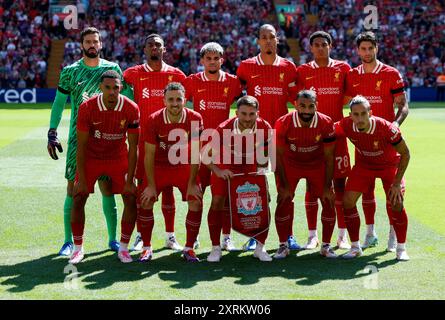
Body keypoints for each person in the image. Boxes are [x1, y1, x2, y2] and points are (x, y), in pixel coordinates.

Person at [47, 27, 132, 256]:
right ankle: (68, 241)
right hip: (79, 139)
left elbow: (127, 101)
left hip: (109, 139)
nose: (92, 44)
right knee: (73, 189)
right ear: (81, 45)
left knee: (108, 189)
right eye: (87, 41)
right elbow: (58, 102)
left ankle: (112, 239)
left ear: (100, 44)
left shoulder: (112, 69)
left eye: (95, 41)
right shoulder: (71, 71)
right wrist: (52, 131)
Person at [237, 24, 298, 250]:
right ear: (258, 42)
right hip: (256, 139)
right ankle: (254, 234)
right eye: (264, 38)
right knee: (255, 188)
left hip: (281, 138)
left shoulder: (289, 67)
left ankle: (288, 236)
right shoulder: (246, 67)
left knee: (285, 188)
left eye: (272, 37)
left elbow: (295, 99)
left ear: (277, 40)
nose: (268, 41)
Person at [346, 31, 409, 251]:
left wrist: (396, 124)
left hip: (387, 144)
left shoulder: (391, 74)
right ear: (357, 51)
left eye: (370, 48)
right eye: (362, 48)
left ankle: (393, 235)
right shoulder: (352, 76)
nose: (366, 52)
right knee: (366, 191)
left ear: (377, 48)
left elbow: (403, 105)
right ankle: (370, 233)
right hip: (363, 145)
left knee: (393, 192)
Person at [123, 34, 187, 251]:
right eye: (150, 45)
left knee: (168, 189)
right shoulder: (132, 74)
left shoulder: (176, 74)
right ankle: (142, 235)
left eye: (158, 45)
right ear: (144, 49)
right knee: (144, 189)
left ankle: (170, 236)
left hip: (171, 144)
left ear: (164, 49)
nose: (154, 48)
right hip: (144, 142)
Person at [69, 70, 140, 264]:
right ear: (100, 87)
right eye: (107, 87)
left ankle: (124, 248)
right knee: (78, 196)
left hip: (118, 157)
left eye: (115, 88)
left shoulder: (131, 108)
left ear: (121, 88)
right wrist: (82, 179)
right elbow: (81, 146)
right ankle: (77, 248)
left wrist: (130, 179)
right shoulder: (87, 108)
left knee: (131, 196)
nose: (111, 92)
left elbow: (134, 147)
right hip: (92, 157)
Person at [295, 31, 352, 250]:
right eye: (316, 45)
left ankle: (342, 235)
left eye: (324, 44)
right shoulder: (303, 71)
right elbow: (299, 100)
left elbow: (347, 96)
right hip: (312, 138)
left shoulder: (343, 68)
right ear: (310, 48)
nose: (320, 48)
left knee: (339, 186)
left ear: (330, 46)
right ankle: (312, 235)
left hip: (337, 137)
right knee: (312, 186)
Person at [183, 42, 243, 252]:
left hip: (223, 148)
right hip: (199, 148)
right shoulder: (191, 81)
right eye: (208, 58)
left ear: (221, 60)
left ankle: (226, 237)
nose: (212, 61)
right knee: (197, 195)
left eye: (215, 58)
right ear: (202, 61)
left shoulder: (233, 83)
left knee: (223, 196)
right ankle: (195, 235)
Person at [336, 96, 410, 261]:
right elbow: (327, 131)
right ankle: (355, 247)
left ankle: (401, 248)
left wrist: (397, 183)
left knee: (396, 203)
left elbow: (406, 153)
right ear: (350, 115)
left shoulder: (387, 128)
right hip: (364, 166)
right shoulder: (346, 124)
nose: (360, 118)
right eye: (356, 114)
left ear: (371, 113)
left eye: (364, 113)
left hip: (389, 166)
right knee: (347, 201)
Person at [202, 95, 273, 262]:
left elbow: (266, 153)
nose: (247, 118)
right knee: (218, 202)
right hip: (226, 166)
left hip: (249, 168)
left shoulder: (265, 127)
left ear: (258, 113)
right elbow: (205, 156)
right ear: (236, 113)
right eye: (243, 114)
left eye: (251, 114)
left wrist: (262, 176)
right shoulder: (224, 128)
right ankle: (215, 248)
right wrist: (218, 171)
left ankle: (260, 247)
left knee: (263, 201)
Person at [139, 82, 204, 262]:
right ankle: (146, 247)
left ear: (185, 100)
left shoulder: (195, 118)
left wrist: (191, 184)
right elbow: (149, 155)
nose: (175, 103)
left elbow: (195, 153)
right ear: (164, 101)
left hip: (183, 165)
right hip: (159, 166)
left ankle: (189, 248)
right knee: (145, 200)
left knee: (196, 200)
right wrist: (151, 186)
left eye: (179, 99)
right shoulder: (154, 119)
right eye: (171, 100)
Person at [274, 90, 337, 259]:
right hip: (290, 164)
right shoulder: (283, 122)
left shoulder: (326, 122)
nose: (306, 111)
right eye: (302, 106)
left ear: (317, 106)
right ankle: (283, 245)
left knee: (328, 200)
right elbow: (277, 156)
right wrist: (284, 185)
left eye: (311, 106)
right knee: (283, 200)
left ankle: (326, 246)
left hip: (317, 165)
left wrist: (326, 186)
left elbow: (330, 158)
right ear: (295, 105)